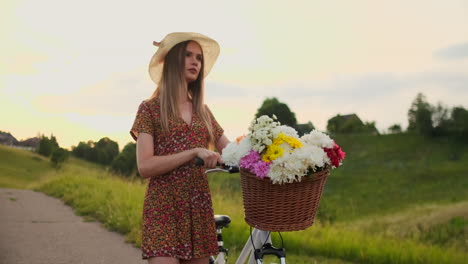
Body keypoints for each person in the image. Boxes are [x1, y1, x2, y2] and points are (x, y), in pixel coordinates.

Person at [130, 32, 230, 264]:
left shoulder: (203, 112)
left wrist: (270, 149)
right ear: (173, 60)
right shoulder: (150, 109)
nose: (195, 61)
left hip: (198, 207)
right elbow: (145, 166)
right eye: (188, 55)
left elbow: (232, 152)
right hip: (163, 207)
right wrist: (193, 152)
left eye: (198, 57)